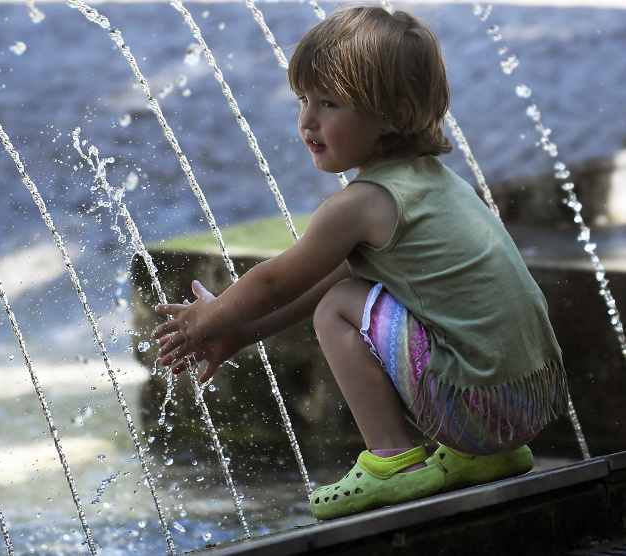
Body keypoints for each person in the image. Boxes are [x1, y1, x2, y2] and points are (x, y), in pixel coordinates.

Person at [151, 3, 569, 521]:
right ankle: (479, 457)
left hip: (475, 405)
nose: (307, 120)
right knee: (346, 291)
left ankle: (393, 460)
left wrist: (207, 319)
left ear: (396, 114)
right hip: (525, 403)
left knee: (338, 306)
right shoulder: (434, 185)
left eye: (329, 103)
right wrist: (240, 334)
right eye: (304, 99)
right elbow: (327, 274)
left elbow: (280, 279)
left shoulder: (361, 204)